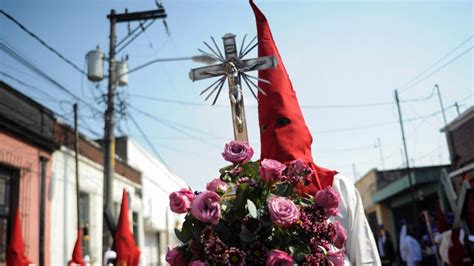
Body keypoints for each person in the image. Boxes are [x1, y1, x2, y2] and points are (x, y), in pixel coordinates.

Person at [250, 1, 380, 264]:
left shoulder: (337, 186)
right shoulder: (252, 197)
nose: (276, 134)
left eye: (284, 123)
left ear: (301, 128)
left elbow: (365, 256)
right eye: (266, 128)